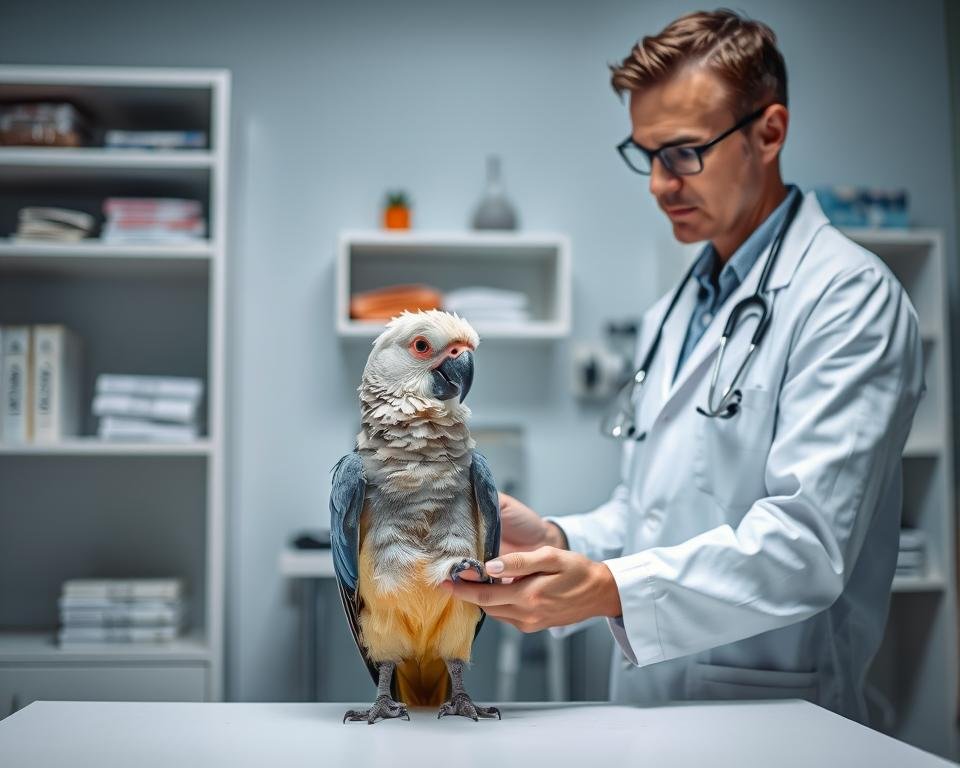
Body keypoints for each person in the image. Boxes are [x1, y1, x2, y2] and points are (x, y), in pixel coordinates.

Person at [443, 9, 924, 722]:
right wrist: (558, 541)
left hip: (780, 719)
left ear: (770, 132)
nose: (659, 185)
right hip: (651, 707)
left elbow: (805, 547)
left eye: (683, 153)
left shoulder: (849, 298)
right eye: (647, 155)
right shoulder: (675, 310)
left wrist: (609, 587)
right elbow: (652, 513)